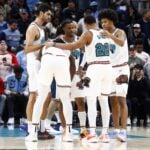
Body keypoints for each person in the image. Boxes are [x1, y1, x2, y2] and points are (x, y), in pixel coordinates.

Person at [46, 15, 113, 143]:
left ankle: (89, 132)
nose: (73, 29)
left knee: (88, 100)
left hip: (89, 70)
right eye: (70, 27)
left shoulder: (86, 35)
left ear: (85, 24)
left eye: (75, 27)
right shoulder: (105, 33)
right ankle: (102, 133)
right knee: (102, 100)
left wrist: (81, 67)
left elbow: (76, 47)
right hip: (103, 68)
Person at [25, 46, 73, 142]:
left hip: (47, 59)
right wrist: (69, 83)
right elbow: (73, 65)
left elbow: (37, 60)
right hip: (63, 61)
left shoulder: (46, 45)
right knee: (65, 99)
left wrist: (39, 79)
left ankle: (33, 133)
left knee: (40, 98)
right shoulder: (67, 45)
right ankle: (68, 134)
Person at [98, 8, 130, 142]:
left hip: (122, 69)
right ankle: (116, 130)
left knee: (122, 99)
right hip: (109, 69)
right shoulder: (102, 34)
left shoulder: (120, 32)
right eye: (101, 22)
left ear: (111, 21)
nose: (103, 24)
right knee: (113, 101)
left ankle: (123, 131)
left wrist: (109, 35)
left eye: (105, 22)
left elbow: (121, 42)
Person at [24, 3, 54, 140]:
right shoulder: (32, 28)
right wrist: (44, 45)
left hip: (40, 64)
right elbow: (27, 49)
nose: (50, 16)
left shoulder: (42, 29)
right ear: (41, 13)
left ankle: (40, 128)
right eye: (48, 14)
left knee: (45, 96)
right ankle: (32, 128)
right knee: (35, 95)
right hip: (33, 64)